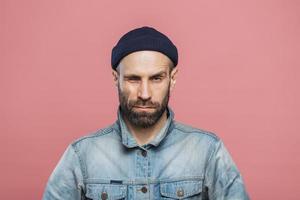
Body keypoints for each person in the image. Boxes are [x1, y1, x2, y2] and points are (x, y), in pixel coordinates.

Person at [43, 26, 249, 200]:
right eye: (133, 79)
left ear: (173, 78)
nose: (144, 94)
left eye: (156, 78)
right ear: (116, 78)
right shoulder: (81, 155)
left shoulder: (208, 151)